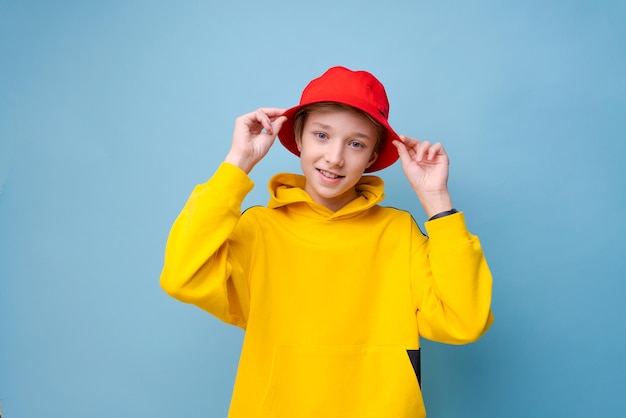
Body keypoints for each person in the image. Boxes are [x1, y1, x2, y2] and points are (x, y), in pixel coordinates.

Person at [160, 66, 494, 418]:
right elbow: (183, 276)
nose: (335, 157)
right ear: (299, 138)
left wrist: (436, 200)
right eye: (322, 135)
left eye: (356, 144)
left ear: (371, 158)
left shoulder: (398, 232)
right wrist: (237, 163)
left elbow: (465, 320)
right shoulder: (259, 229)